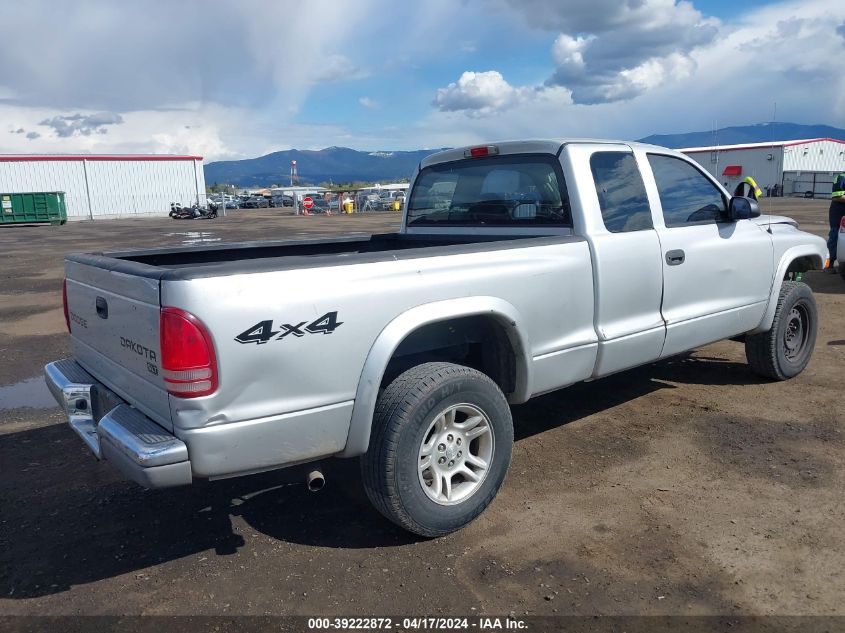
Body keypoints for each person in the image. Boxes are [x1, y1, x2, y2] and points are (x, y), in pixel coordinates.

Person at [826, 172, 845, 272]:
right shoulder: (842, 177)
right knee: (835, 238)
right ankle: (829, 265)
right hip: (839, 214)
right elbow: (836, 196)